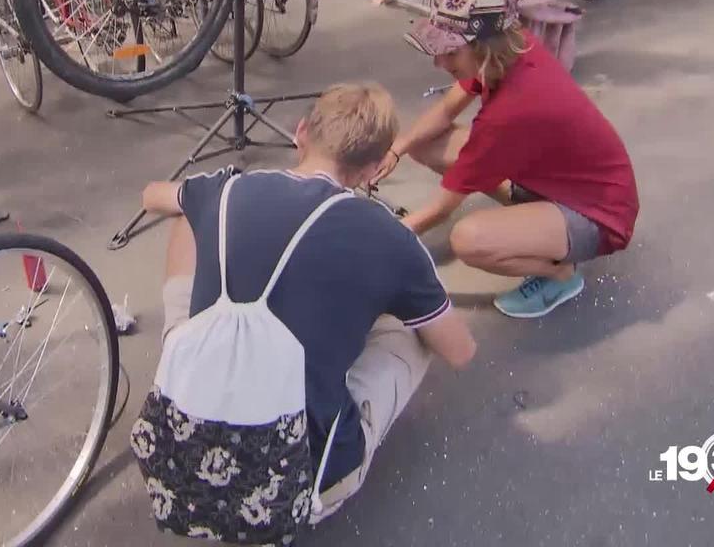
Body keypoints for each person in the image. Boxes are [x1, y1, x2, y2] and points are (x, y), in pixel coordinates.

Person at [141, 83, 476, 522]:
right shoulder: (389, 236)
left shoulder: (225, 189)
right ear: (373, 169)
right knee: (413, 328)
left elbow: (152, 195)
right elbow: (461, 350)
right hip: (292, 493)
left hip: (175, 465)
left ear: (301, 132)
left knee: (189, 215)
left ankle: (181, 364)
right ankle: (331, 450)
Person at [372, 0, 639, 318]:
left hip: (600, 215)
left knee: (469, 240)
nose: (439, 63)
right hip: (562, 182)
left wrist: (373, 242)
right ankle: (536, 229)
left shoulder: (510, 112)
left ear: (483, 47)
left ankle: (561, 275)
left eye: (451, 52)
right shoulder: (509, 49)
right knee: (425, 144)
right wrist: (399, 146)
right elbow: (445, 110)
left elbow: (440, 209)